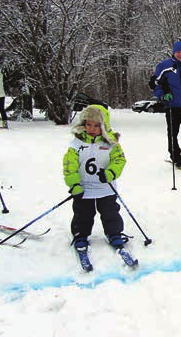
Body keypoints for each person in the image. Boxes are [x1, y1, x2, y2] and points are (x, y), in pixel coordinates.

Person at [63, 104, 128, 251]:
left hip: (106, 188)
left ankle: (114, 233)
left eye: (96, 125)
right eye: (88, 124)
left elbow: (119, 160)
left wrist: (110, 173)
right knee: (82, 214)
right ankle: (80, 235)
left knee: (110, 212)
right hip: (84, 189)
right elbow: (69, 166)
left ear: (104, 126)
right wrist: (74, 185)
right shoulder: (76, 144)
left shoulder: (111, 144)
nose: (91, 129)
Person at [150, 41, 181, 170]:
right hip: (172, 106)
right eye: (178, 52)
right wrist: (162, 95)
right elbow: (154, 83)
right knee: (173, 133)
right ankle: (176, 157)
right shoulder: (164, 66)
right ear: (174, 52)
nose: (180, 54)